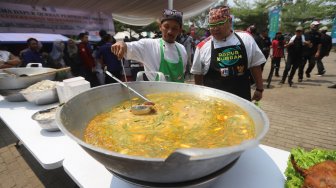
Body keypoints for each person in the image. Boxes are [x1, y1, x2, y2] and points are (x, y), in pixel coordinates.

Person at [190, 6, 265, 101]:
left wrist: (259, 88)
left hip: (241, 100)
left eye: (220, 23)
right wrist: (199, 96)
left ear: (230, 21)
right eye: (212, 25)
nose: (216, 28)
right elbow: (198, 74)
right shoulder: (202, 47)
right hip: (213, 101)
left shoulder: (246, 39)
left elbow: (255, 65)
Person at [111, 9, 187, 82]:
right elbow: (128, 47)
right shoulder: (148, 45)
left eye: (174, 28)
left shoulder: (182, 49)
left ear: (180, 30)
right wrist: (122, 44)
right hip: (157, 94)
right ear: (160, 27)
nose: (170, 32)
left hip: (179, 94)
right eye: (166, 27)